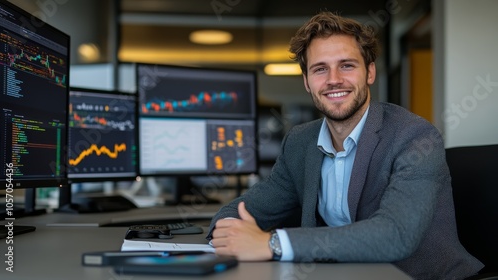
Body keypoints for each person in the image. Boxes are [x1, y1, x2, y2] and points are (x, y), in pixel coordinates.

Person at [207, 11, 483, 279]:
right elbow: (245, 209)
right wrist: (227, 231)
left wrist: (271, 244)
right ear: (306, 82)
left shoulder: (415, 137)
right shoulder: (300, 142)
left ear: (370, 73)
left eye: (347, 65)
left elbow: (395, 235)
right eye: (320, 69)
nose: (334, 79)